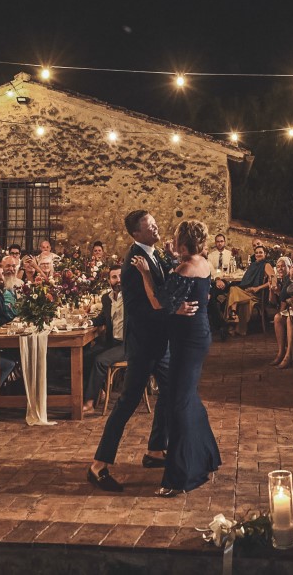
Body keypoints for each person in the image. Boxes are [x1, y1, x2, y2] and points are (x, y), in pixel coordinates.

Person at [89, 209, 198, 493]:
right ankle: (99, 464)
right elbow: (141, 310)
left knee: (170, 392)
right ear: (136, 233)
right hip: (143, 344)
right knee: (127, 402)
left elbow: (161, 288)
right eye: (150, 225)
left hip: (159, 343)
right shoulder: (132, 264)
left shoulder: (153, 253)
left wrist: (173, 260)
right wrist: (175, 310)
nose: (156, 226)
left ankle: (155, 450)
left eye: (154, 222)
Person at [133, 219, 221, 496]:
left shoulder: (185, 268)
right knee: (186, 397)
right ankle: (205, 456)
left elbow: (159, 301)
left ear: (184, 243)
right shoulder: (202, 263)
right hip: (198, 335)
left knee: (179, 404)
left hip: (187, 341)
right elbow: (185, 291)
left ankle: (182, 475)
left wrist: (146, 273)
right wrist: (173, 259)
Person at [82, 263, 127, 413]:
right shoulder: (106, 298)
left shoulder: (132, 297)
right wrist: (89, 322)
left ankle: (89, 403)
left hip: (128, 345)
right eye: (114, 277)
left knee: (100, 361)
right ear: (109, 281)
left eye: (121, 276)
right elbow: (103, 317)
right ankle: (98, 391)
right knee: (85, 356)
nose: (118, 280)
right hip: (112, 342)